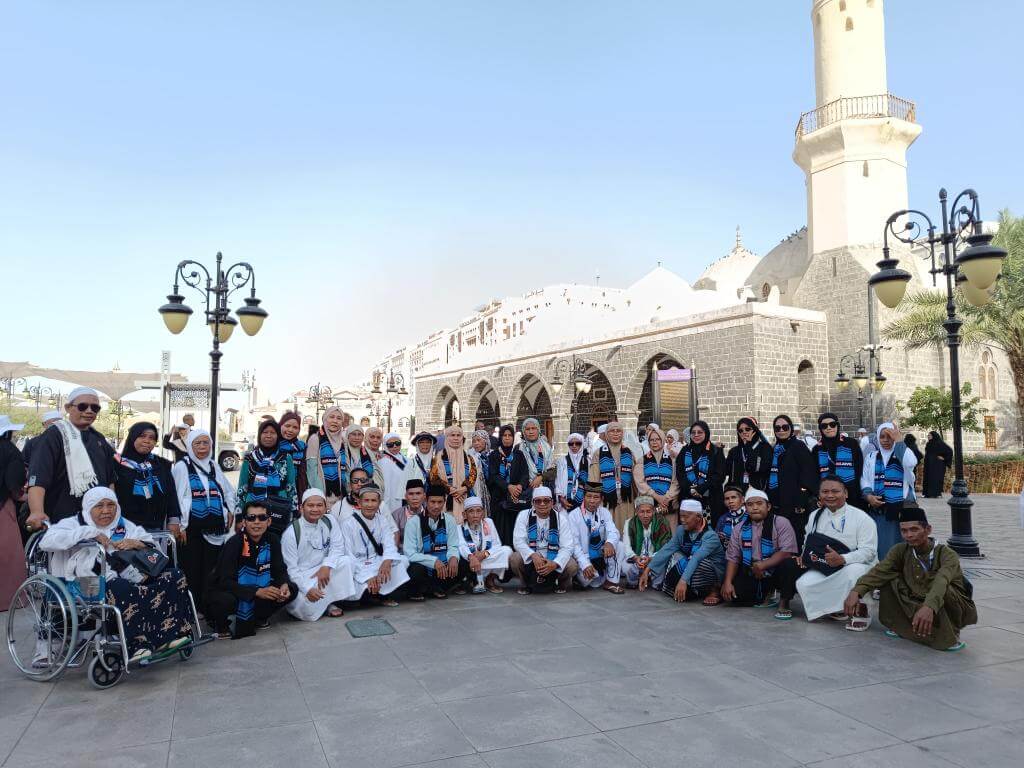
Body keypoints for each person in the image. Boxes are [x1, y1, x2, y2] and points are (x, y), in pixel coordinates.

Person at [39, 487, 193, 661]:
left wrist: (137, 543)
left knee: (174, 576)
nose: (106, 511)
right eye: (99, 506)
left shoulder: (123, 524)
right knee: (121, 587)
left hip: (130, 576)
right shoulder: (74, 523)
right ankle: (137, 644)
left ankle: (172, 635)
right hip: (83, 584)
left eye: (111, 505)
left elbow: (152, 547)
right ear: (89, 508)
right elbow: (46, 542)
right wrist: (90, 533)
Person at [844, 506, 976, 650]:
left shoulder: (947, 554)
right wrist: (856, 591)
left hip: (947, 602)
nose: (909, 535)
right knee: (889, 578)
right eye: (904, 531)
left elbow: (942, 580)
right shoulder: (900, 550)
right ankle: (902, 626)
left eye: (914, 530)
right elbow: (879, 571)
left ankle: (948, 634)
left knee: (944, 590)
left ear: (928, 529)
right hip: (916, 597)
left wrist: (929, 607)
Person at [26, 387, 119, 529]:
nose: (89, 411)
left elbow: (109, 479)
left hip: (95, 522)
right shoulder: (53, 436)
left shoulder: (99, 439)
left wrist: (113, 509)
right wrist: (36, 511)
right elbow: (39, 477)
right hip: (61, 520)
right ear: (68, 408)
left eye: (95, 408)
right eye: (83, 406)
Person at [796, 475, 878, 627]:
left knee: (853, 573)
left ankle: (862, 609)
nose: (830, 495)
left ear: (845, 493)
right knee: (804, 583)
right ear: (819, 494)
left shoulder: (862, 518)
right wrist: (803, 555)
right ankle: (838, 608)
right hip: (826, 565)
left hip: (858, 564)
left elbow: (869, 552)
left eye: (835, 491)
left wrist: (843, 559)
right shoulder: (815, 515)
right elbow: (807, 540)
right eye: (825, 492)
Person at [207, 500, 296, 638]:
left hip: (258, 591)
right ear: (244, 522)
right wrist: (256, 592)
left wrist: (284, 584)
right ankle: (222, 625)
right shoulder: (234, 543)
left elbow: (279, 570)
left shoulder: (273, 540)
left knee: (292, 589)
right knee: (224, 600)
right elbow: (224, 582)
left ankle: (259, 618)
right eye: (251, 518)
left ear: (269, 521)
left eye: (262, 517)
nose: (257, 522)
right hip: (233, 591)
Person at [172, 429, 237, 612]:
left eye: (205, 443)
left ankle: (207, 607)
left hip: (214, 527)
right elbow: (176, 497)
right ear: (190, 446)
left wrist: (230, 510)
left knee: (210, 570)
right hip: (191, 528)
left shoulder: (214, 466)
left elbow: (227, 491)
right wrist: (180, 525)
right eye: (197, 443)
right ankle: (191, 608)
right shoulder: (182, 467)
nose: (202, 447)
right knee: (192, 569)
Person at [721, 488, 801, 619]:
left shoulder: (780, 522)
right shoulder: (739, 528)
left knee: (789, 563)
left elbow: (786, 551)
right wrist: (728, 582)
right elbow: (733, 557)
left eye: (759, 503)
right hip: (752, 569)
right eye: (750, 504)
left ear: (768, 506)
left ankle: (784, 601)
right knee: (734, 597)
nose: (755, 508)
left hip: (776, 570)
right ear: (746, 508)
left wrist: (763, 565)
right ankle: (765, 593)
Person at [281, 488, 357, 621]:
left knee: (347, 561)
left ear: (325, 507)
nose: (315, 509)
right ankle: (322, 603)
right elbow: (291, 570)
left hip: (323, 569)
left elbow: (338, 547)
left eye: (319, 505)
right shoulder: (291, 533)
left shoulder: (329, 520)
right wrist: (307, 589)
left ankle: (329, 602)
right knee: (306, 607)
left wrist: (326, 566)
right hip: (302, 576)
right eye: (310, 505)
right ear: (301, 508)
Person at [639, 499, 725, 605]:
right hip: (692, 566)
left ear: (698, 517)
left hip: (712, 572)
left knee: (701, 562)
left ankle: (714, 591)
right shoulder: (681, 530)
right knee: (674, 556)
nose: (682, 520)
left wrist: (683, 581)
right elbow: (667, 549)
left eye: (686, 517)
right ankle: (695, 590)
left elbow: (696, 558)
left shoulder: (710, 536)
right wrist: (647, 571)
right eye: (681, 516)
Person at [339, 484, 410, 606]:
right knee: (347, 564)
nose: (370, 504)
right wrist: (367, 577)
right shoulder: (348, 524)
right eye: (366, 500)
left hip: (376, 561)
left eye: (373, 501)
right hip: (358, 564)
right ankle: (369, 594)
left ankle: (380, 593)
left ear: (379, 503)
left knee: (403, 560)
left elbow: (389, 544)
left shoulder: (382, 520)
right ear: (359, 502)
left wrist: (387, 561)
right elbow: (348, 554)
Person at [861, 422, 918, 560]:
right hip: (879, 509)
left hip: (901, 508)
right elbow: (865, 479)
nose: (886, 440)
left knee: (901, 545)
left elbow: (910, 463)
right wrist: (868, 496)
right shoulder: (871, 456)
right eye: (882, 437)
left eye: (890, 437)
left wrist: (899, 441)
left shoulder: (903, 452)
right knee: (882, 546)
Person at [403, 484, 470, 599]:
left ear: (444, 502)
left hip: (442, 565)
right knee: (416, 570)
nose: (436, 506)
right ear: (425, 500)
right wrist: (433, 561)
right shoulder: (413, 522)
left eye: (440, 502)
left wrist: (453, 557)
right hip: (425, 567)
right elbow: (410, 554)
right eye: (432, 502)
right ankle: (430, 588)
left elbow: (453, 546)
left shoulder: (450, 520)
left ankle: (433, 588)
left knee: (462, 564)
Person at [510, 486, 577, 594]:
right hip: (532, 557)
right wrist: (533, 555)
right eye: (538, 501)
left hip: (553, 557)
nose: (542, 504)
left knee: (572, 565)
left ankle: (560, 584)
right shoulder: (524, 515)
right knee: (515, 558)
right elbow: (518, 541)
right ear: (533, 503)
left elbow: (567, 546)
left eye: (546, 500)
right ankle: (525, 584)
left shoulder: (561, 519)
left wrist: (555, 563)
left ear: (552, 503)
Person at [114, 421, 179, 533]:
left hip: (155, 528)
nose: (147, 441)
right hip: (124, 528)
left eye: (152, 438)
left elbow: (171, 493)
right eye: (142, 436)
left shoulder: (161, 464)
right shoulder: (116, 465)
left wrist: (173, 520)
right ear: (133, 437)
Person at [236, 419, 298, 536]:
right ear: (259, 435)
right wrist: (239, 516)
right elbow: (242, 488)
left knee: (277, 542)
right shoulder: (250, 458)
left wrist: (294, 513)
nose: (268, 435)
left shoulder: (286, 458)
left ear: (278, 436)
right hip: (253, 510)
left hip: (279, 509)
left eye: (272, 432)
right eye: (265, 432)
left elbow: (291, 487)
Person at [767, 414, 817, 544]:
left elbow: (808, 471)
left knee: (795, 537)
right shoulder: (775, 449)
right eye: (777, 428)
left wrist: (801, 495)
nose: (781, 430)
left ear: (790, 428)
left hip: (794, 503)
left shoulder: (798, 446)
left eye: (785, 427)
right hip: (777, 501)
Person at [569, 481, 624, 593]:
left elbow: (613, 531)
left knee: (619, 545)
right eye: (589, 496)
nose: (592, 500)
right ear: (583, 497)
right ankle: (578, 579)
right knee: (588, 579)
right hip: (584, 558)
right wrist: (585, 564)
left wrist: (609, 543)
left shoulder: (604, 512)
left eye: (596, 497)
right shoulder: (573, 515)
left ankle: (611, 582)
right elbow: (574, 545)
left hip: (600, 555)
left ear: (601, 499)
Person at [587, 421, 637, 529]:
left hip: (626, 500)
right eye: (612, 431)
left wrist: (640, 497)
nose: (615, 433)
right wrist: (592, 499)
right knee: (608, 530)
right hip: (606, 499)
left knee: (626, 530)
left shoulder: (629, 452)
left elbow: (635, 478)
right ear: (606, 434)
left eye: (618, 431)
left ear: (622, 433)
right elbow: (593, 478)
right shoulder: (599, 453)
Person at [676, 420, 725, 527]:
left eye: (700, 432)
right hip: (688, 498)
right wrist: (691, 489)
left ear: (706, 433)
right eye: (693, 432)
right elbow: (680, 473)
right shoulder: (685, 451)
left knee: (707, 532)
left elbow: (719, 476)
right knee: (689, 531)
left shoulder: (716, 451)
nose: (696, 435)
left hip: (710, 500)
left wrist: (701, 488)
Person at [1, 415, 27, 610]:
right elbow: (13, 483)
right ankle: (8, 599)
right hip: (3, 506)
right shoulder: (10, 451)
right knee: (8, 555)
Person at [458, 496, 511, 593]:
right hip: (470, 562)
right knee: (459, 555)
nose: (475, 515)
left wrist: (484, 554)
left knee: (507, 550)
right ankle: (471, 580)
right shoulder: (459, 527)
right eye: (471, 511)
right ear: (464, 514)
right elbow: (461, 546)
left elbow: (497, 545)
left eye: (478, 511)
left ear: (483, 513)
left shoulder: (488, 523)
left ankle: (490, 579)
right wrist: (471, 557)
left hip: (486, 559)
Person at [811, 412, 864, 509]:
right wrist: (819, 495)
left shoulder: (851, 444)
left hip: (851, 497)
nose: (829, 428)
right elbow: (814, 475)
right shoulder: (817, 449)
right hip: (828, 498)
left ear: (837, 426)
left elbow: (859, 468)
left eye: (832, 424)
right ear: (820, 429)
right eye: (824, 426)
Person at [618, 496, 672, 588]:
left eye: (648, 511)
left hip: (654, 559)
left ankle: (656, 583)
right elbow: (626, 546)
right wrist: (636, 558)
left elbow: (665, 546)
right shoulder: (630, 523)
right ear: (636, 511)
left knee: (663, 561)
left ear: (653, 511)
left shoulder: (662, 523)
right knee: (626, 566)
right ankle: (633, 582)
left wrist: (651, 558)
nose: (645, 515)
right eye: (642, 512)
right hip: (637, 559)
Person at [428, 424, 477, 522]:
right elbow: (434, 478)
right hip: (445, 500)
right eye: (452, 435)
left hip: (464, 498)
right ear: (447, 437)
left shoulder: (469, 458)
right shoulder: (438, 458)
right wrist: (451, 490)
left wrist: (464, 488)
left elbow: (473, 475)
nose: (456, 438)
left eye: (458, 435)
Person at [305, 407, 349, 506]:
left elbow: (346, 467)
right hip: (323, 495)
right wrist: (320, 494)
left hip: (341, 496)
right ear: (325, 419)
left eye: (339, 418)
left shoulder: (343, 441)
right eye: (331, 417)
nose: (335, 421)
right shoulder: (315, 439)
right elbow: (311, 470)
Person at [636, 427, 680, 521]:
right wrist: (656, 496)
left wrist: (666, 498)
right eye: (652, 440)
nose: (654, 442)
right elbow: (640, 482)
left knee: (669, 529)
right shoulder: (642, 460)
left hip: (668, 505)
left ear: (663, 440)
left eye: (657, 439)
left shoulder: (672, 460)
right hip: (649, 506)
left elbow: (676, 482)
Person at [487, 424, 519, 545]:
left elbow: (524, 473)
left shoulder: (518, 454)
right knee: (500, 528)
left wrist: (520, 485)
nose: (507, 438)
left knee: (514, 526)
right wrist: (508, 486)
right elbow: (493, 475)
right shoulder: (494, 455)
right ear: (500, 437)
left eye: (510, 435)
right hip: (498, 498)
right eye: (504, 435)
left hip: (515, 497)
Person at [725, 417, 774, 492]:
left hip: (757, 492)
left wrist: (749, 446)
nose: (744, 432)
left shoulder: (765, 448)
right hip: (737, 493)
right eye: (740, 430)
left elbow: (758, 468)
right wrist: (718, 452)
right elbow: (726, 471)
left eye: (747, 429)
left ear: (754, 430)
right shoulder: (734, 451)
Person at [555, 432, 589, 513]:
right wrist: (561, 497)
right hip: (565, 501)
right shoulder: (562, 460)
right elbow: (558, 480)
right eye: (571, 444)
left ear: (582, 444)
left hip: (584, 501)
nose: (574, 446)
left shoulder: (588, 461)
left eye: (577, 443)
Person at [344, 425, 385, 492]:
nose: (357, 438)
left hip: (367, 492)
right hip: (346, 491)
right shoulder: (343, 452)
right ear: (348, 436)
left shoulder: (368, 453)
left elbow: (377, 475)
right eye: (354, 434)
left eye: (359, 434)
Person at [278, 411, 308, 496]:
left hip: (297, 492)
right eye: (287, 426)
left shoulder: (302, 447)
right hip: (275, 492)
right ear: (280, 425)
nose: (290, 430)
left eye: (295, 427)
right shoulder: (273, 445)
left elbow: (304, 474)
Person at [379, 432, 408, 515]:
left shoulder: (404, 458)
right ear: (385, 446)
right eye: (390, 445)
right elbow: (386, 487)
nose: (395, 446)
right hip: (393, 500)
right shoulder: (384, 461)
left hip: (405, 497)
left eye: (397, 443)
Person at [392, 478, 427, 545]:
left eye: (418, 493)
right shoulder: (396, 515)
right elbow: (394, 543)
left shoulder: (431, 513)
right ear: (405, 496)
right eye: (411, 494)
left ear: (424, 496)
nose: (414, 498)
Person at [467, 429, 492, 514]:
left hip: (491, 490)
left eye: (478, 440)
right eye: (474, 441)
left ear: (486, 441)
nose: (476, 443)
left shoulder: (492, 455)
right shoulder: (470, 457)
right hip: (476, 490)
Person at [923, 431, 953, 498]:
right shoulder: (928, 444)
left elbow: (949, 451)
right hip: (929, 464)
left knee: (936, 479)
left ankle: (936, 493)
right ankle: (928, 493)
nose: (928, 436)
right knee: (928, 478)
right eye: (928, 435)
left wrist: (944, 458)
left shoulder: (939, 443)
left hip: (937, 465)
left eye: (930, 435)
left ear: (934, 436)